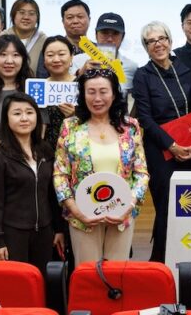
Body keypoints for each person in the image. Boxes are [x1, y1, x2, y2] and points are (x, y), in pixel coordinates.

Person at [54, 69, 149, 263]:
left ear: (114, 94)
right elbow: (60, 174)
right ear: (83, 95)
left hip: (121, 214)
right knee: (87, 274)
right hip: (83, 216)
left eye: (103, 91)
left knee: (117, 274)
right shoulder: (70, 126)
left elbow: (141, 173)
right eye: (91, 92)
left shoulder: (130, 127)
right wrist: (75, 210)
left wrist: (129, 206)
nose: (97, 98)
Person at [131, 21, 191, 262]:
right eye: (151, 41)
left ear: (170, 41)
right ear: (146, 47)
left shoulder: (186, 69)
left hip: (190, 148)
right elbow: (145, 118)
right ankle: (159, 260)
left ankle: (185, 255)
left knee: (185, 205)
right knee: (166, 204)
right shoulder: (143, 75)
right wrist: (171, 145)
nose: (158, 44)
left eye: (162, 38)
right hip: (159, 149)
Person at [0, 93, 65, 273]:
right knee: (17, 283)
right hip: (12, 233)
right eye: (17, 113)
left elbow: (52, 194)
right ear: (6, 119)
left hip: (45, 231)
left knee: (42, 282)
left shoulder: (45, 150)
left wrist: (59, 229)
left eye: (29, 112)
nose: (24, 118)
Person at [40, 35, 78, 151]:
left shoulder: (83, 85)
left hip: (76, 149)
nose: (56, 59)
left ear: (71, 57)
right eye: (50, 55)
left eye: (61, 54)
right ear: (44, 60)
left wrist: (75, 116)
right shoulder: (38, 87)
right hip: (45, 151)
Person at [4, 0, 47, 78]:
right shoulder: (2, 38)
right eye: (21, 12)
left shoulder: (44, 41)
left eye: (31, 13)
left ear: (37, 18)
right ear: (13, 15)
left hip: (35, 85)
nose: (26, 17)